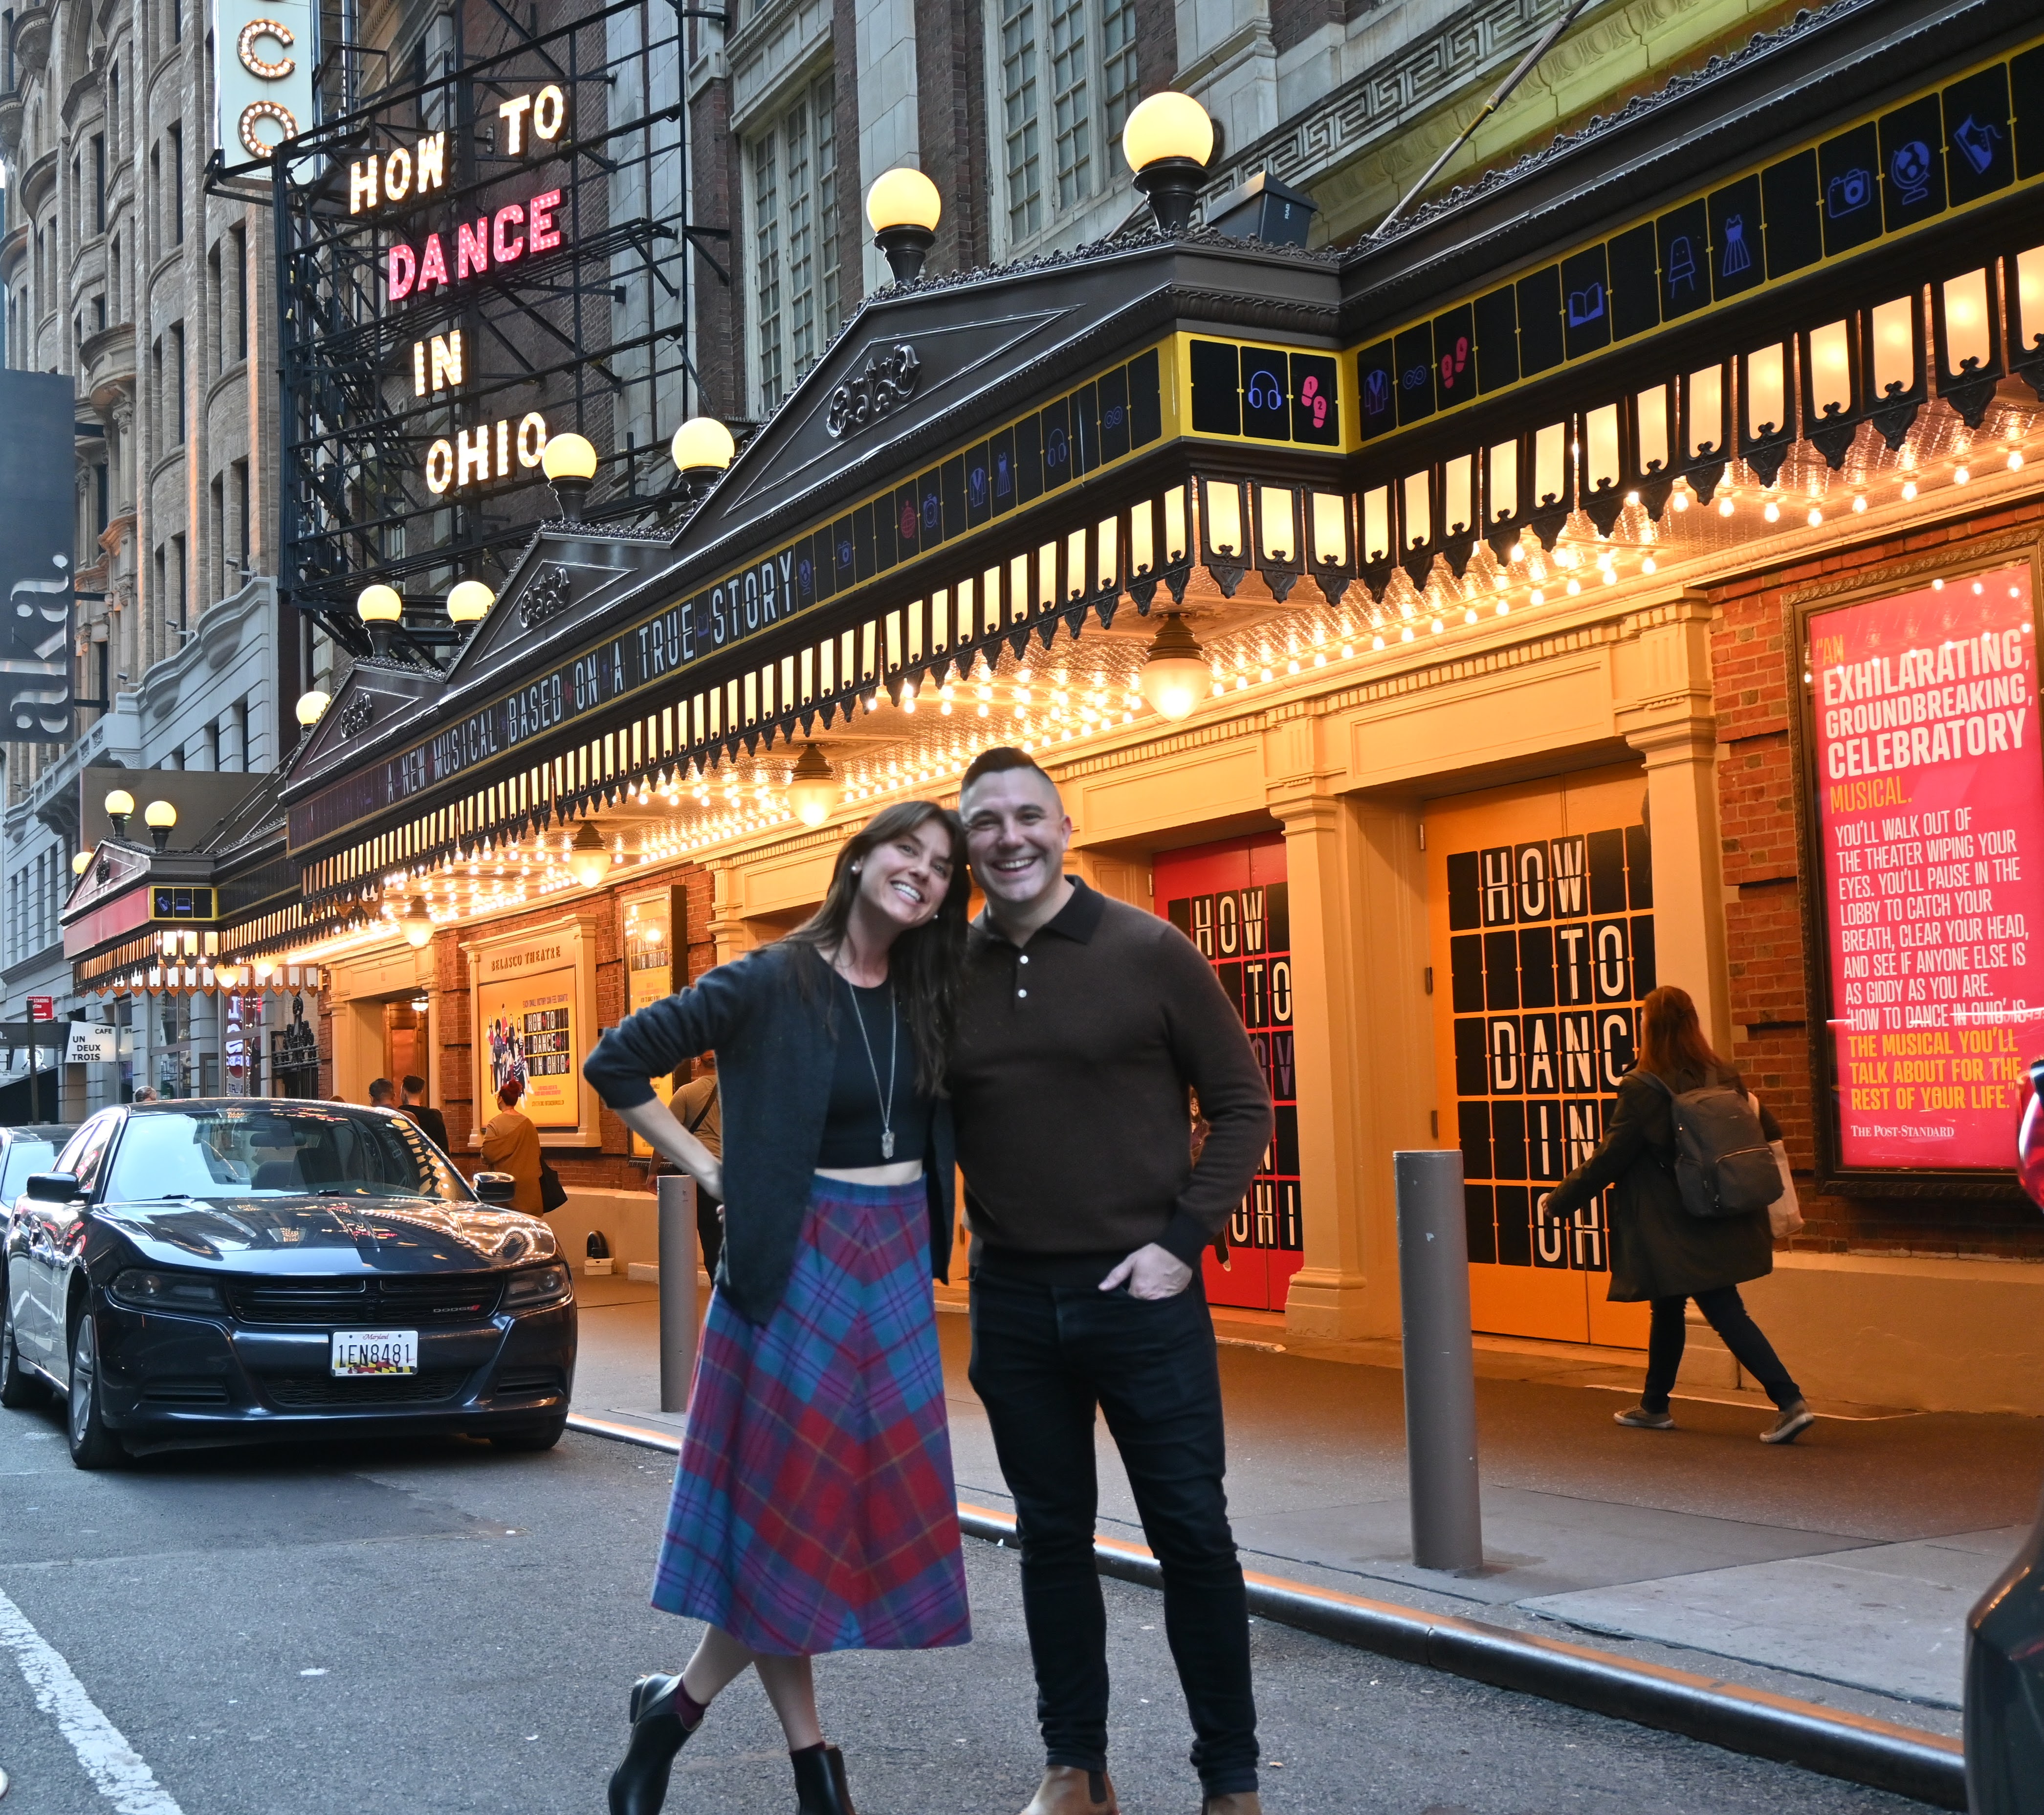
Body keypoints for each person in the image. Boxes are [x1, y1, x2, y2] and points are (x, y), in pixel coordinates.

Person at [582, 800, 973, 1815]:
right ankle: (813, 1773)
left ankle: (675, 1712)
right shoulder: (769, 976)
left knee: (810, 1523)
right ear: (858, 858)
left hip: (890, 1268)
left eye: (939, 867)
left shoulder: (934, 992)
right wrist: (711, 1169)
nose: (920, 874)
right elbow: (615, 1060)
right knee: (790, 1519)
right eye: (905, 851)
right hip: (793, 1262)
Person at [950, 748, 1274, 1815]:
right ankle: (1073, 1766)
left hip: (1143, 1292)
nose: (1008, 837)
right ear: (967, 841)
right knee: (1048, 1537)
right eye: (986, 821)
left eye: (1026, 816)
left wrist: (1181, 1241)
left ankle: (1228, 1778)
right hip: (1010, 1297)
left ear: (1063, 825)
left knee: (1191, 1532)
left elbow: (1241, 1105)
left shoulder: (1150, 949)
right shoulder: (944, 972)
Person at [1543, 983, 1816, 1444]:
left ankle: (1789, 1401)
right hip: (1722, 1207)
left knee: (1722, 1308)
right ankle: (1654, 1405)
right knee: (1667, 1304)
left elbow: (1612, 1157)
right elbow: (1765, 1130)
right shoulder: (1722, 1075)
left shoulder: (1643, 1086)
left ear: (1649, 1028)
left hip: (1674, 1222)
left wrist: (1561, 1199)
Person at [666, 1062, 724, 1276]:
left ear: (698, 1064)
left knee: (712, 1238)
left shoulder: (687, 1093)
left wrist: (654, 1172)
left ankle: (719, 1292)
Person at [479, 1079, 543, 1216]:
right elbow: (537, 1152)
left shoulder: (495, 1124)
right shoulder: (528, 1124)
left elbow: (487, 1155)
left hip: (505, 1190)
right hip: (529, 1190)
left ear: (501, 1099)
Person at [398, 1074, 450, 1152]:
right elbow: (443, 1147)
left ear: (404, 1091)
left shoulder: (399, 1115)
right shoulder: (434, 1116)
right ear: (421, 1092)